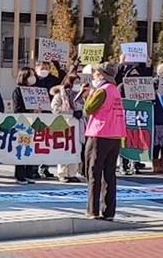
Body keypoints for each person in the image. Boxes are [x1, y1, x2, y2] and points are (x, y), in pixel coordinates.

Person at [82, 62, 125, 221]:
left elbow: (88, 109)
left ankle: (92, 210)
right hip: (115, 135)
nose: (93, 75)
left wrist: (88, 96)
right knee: (109, 175)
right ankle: (108, 211)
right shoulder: (115, 90)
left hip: (100, 134)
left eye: (95, 73)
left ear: (101, 75)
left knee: (93, 172)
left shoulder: (101, 91)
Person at [51, 73, 84, 182]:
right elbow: (55, 109)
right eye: (75, 82)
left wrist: (81, 113)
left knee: (76, 150)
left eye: (79, 82)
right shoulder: (60, 95)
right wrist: (71, 112)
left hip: (78, 127)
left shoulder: (81, 96)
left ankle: (72, 173)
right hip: (65, 126)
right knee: (64, 149)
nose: (77, 85)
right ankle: (62, 173)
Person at [11, 67, 40, 184]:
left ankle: (29, 173)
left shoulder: (35, 90)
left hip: (34, 124)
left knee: (30, 149)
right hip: (22, 125)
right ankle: (20, 174)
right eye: (30, 75)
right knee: (22, 148)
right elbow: (17, 108)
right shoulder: (17, 91)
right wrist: (31, 111)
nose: (33, 78)